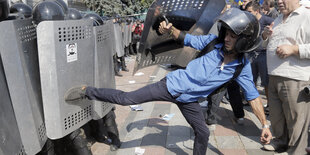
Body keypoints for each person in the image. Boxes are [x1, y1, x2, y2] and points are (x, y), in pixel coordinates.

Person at [64, 8, 272, 155]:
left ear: (245, 39)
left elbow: (253, 96)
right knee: (126, 98)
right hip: (170, 86)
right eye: (226, 33)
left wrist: (264, 125)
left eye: (233, 36)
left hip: (190, 100)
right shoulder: (212, 43)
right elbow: (186, 38)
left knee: (202, 132)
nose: (227, 38)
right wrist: (169, 28)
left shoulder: (242, 67)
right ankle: (87, 91)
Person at [261, 0, 310, 154]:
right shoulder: (278, 19)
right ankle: (280, 141)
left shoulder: (306, 16)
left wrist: (294, 49)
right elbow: (265, 45)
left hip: (294, 77)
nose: (279, 2)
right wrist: (265, 35)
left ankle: (297, 150)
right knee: (276, 115)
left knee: (296, 119)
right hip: (274, 74)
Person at [245, 1, 274, 114]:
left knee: (266, 82)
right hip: (251, 54)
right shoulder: (249, 22)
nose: (248, 14)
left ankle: (269, 105)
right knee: (251, 80)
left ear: (256, 11)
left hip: (263, 55)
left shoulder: (268, 20)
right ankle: (252, 101)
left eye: (250, 11)